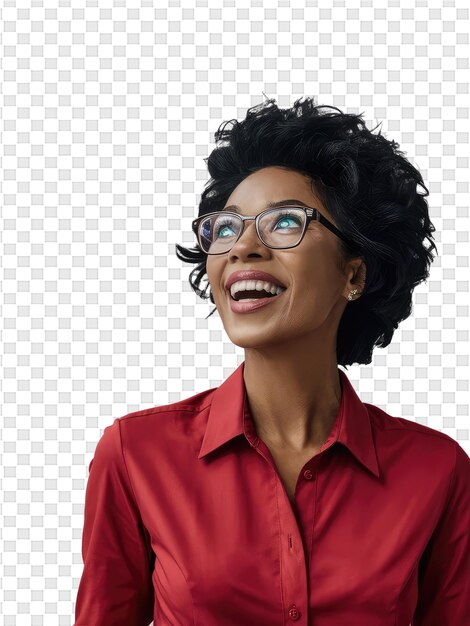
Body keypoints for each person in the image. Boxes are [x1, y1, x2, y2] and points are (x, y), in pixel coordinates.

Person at [73, 96, 470, 626]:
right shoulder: (134, 455)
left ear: (354, 275)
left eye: (285, 222)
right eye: (227, 227)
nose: (243, 247)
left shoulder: (437, 471)